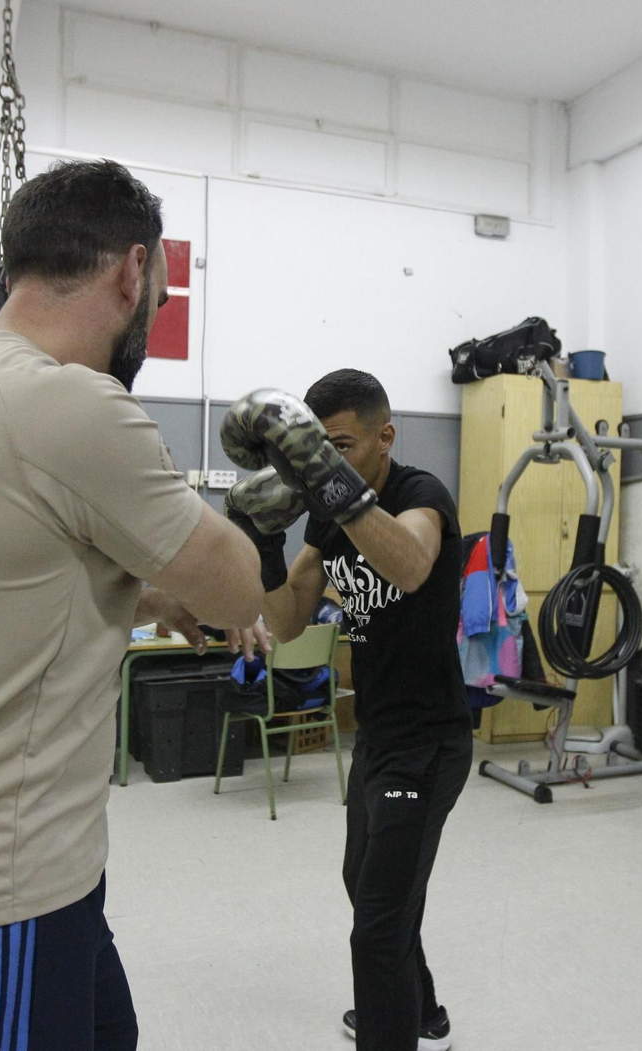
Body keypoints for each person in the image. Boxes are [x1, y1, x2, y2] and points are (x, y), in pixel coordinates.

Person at [0, 159, 267, 1051]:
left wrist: (148, 598)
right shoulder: (67, 406)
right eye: (153, 295)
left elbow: (1, 575)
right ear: (132, 271)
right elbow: (237, 584)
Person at [220, 370, 472, 1051]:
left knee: (377, 926)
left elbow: (413, 563)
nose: (327, 464)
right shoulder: (328, 518)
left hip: (431, 740)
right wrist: (265, 545)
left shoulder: (420, 496)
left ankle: (395, 1020)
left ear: (384, 437)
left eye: (342, 447)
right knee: (366, 883)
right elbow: (288, 620)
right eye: (318, 450)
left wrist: (334, 485)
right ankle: (421, 1012)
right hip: (379, 736)